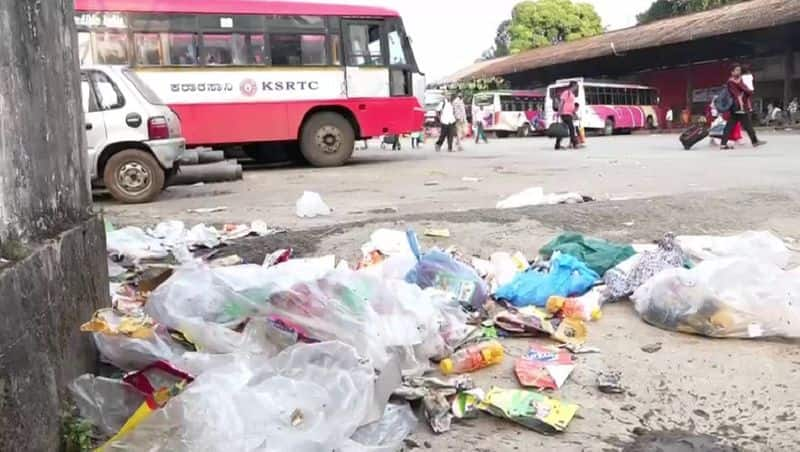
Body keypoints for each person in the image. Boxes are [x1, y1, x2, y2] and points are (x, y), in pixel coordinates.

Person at [721, 63, 765, 150]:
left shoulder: (738, 80)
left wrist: (747, 90)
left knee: (730, 125)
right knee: (747, 124)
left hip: (737, 107)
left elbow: (745, 90)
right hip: (738, 106)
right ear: (732, 72)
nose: (739, 72)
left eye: (739, 70)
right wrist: (747, 91)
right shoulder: (731, 82)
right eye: (736, 70)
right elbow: (740, 92)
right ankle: (755, 141)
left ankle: (723, 144)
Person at [555, 81, 579, 150]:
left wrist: (574, 112)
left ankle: (557, 144)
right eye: (576, 86)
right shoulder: (566, 93)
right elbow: (561, 103)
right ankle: (574, 144)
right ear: (573, 85)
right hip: (565, 113)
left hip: (569, 114)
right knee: (571, 128)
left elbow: (571, 104)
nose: (577, 87)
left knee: (563, 130)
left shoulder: (572, 94)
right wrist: (559, 112)